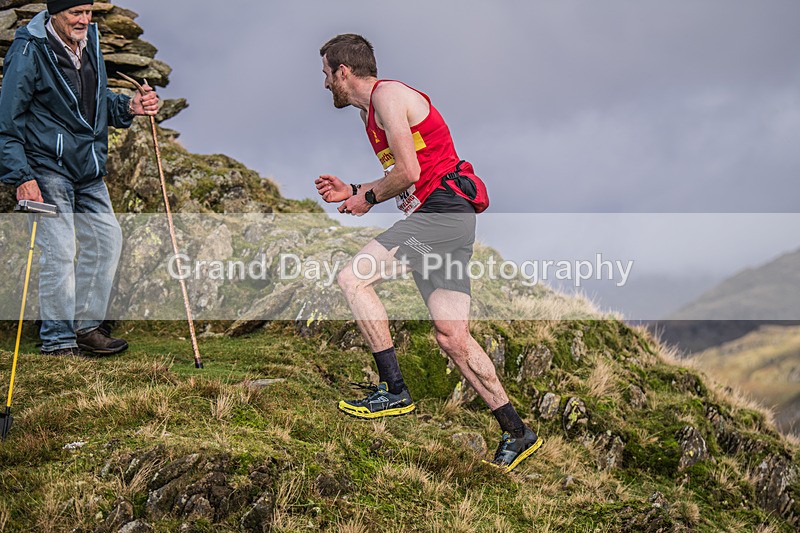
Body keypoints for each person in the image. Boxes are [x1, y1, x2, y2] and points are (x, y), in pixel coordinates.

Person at [315, 34, 543, 473]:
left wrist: (368, 199)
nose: (325, 84)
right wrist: (357, 189)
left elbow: (409, 172)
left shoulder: (388, 97)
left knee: (353, 277)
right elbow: (407, 172)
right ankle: (517, 432)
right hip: (447, 224)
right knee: (452, 337)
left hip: (440, 218)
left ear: (344, 71)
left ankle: (394, 390)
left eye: (326, 74)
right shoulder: (373, 111)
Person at [0, 0, 159, 357]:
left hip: (87, 168)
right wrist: (21, 176)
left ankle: (85, 327)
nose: (84, 20)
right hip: (46, 166)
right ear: (56, 13)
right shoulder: (30, 49)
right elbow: (7, 120)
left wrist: (128, 106)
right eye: (76, 13)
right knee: (59, 249)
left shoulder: (90, 42)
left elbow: (93, 100)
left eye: (88, 12)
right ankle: (57, 340)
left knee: (107, 240)